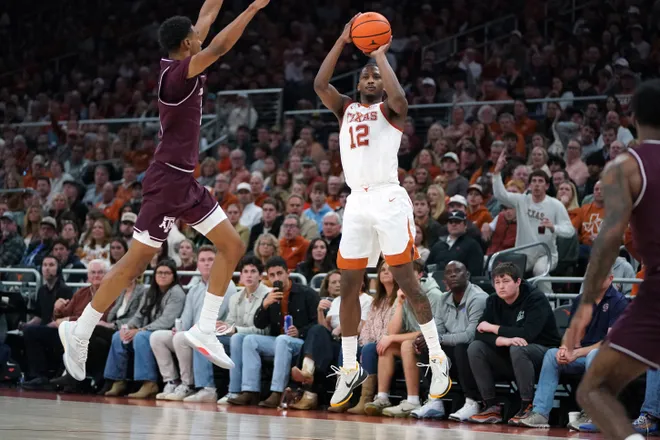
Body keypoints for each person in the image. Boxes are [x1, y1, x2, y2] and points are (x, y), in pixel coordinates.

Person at [59, 0, 271, 381]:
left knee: (233, 246)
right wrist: (253, 9)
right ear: (188, 45)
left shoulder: (180, 60)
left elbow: (206, 16)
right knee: (134, 264)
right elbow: (220, 47)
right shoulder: (178, 77)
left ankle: (205, 327)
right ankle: (81, 329)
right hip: (165, 180)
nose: (199, 33)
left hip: (182, 181)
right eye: (194, 35)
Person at [314, 14, 450, 408]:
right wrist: (342, 41)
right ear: (358, 84)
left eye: (377, 76)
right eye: (367, 76)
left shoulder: (390, 111)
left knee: (407, 281)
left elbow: (402, 100)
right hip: (357, 200)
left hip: (389, 198)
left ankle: (437, 356)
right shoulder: (345, 109)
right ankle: (350, 365)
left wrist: (380, 55)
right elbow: (320, 84)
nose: (372, 80)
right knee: (349, 285)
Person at [565, 79, 660, 440]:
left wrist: (588, 302)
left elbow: (607, 241)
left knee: (593, 389)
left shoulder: (626, 166)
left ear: (632, 117)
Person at [519, 271, 627, 428]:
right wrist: (565, 348)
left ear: (610, 279)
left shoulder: (619, 302)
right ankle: (540, 413)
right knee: (551, 354)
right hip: (582, 355)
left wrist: (577, 353)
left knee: (594, 355)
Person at [467, 262, 561, 425]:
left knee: (518, 348)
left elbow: (528, 334)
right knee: (475, 347)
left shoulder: (535, 298)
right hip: (511, 354)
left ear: (518, 282)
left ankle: (527, 405)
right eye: (497, 282)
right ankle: (491, 406)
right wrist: (503, 339)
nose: (501, 287)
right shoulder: (493, 301)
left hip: (543, 354)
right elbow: (478, 333)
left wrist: (493, 328)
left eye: (506, 281)